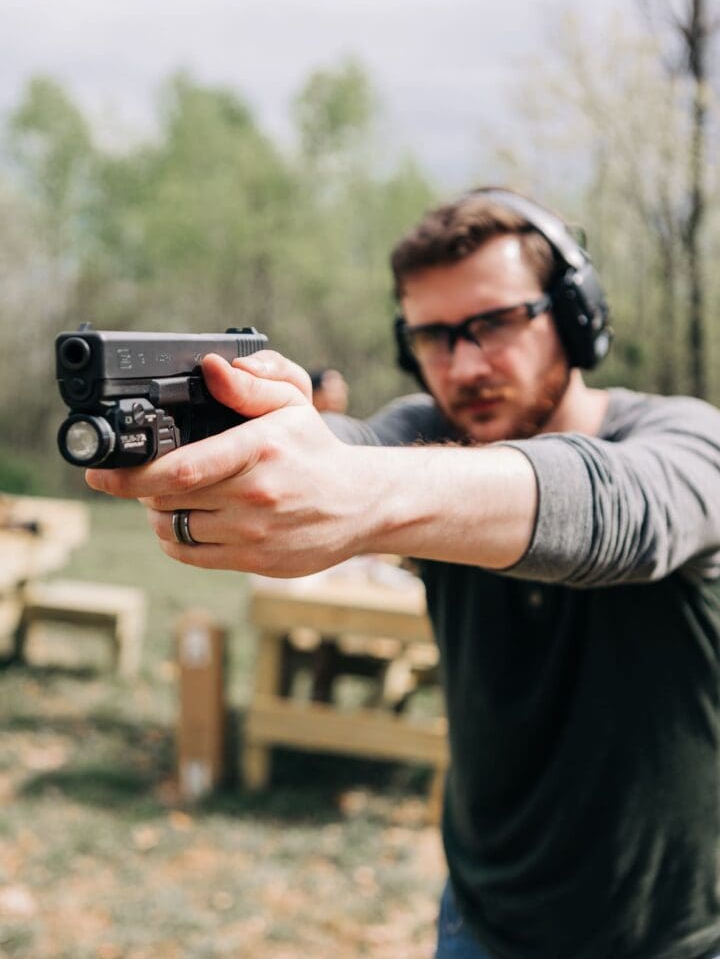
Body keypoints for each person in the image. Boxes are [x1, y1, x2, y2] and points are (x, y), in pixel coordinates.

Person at [86, 188, 720, 959]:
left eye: (493, 324)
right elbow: (341, 444)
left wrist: (365, 493)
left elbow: (618, 512)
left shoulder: (687, 439)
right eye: (432, 336)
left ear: (576, 315)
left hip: (675, 938)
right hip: (480, 919)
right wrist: (251, 430)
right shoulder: (424, 431)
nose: (463, 363)